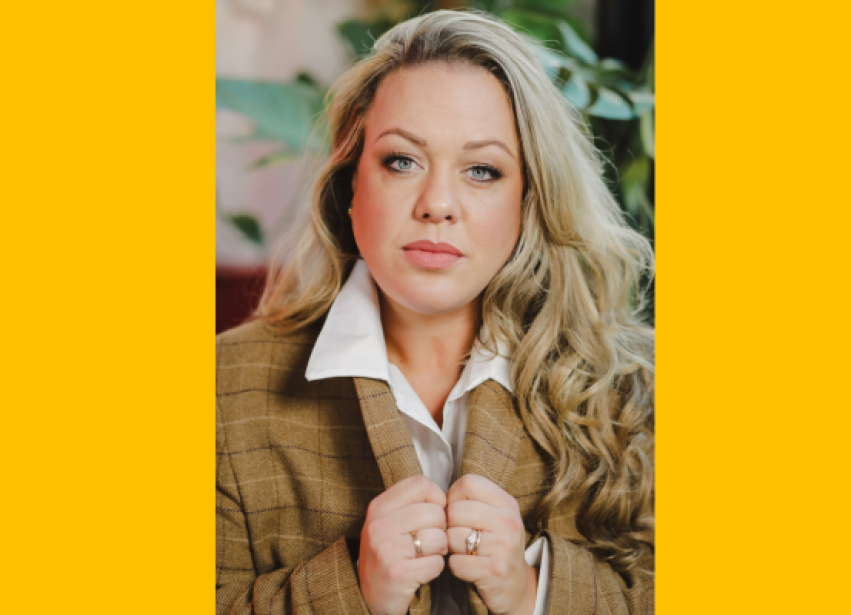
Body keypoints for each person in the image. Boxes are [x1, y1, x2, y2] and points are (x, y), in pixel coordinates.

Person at [216, 9, 654, 615]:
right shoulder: (220, 390)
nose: (438, 204)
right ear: (350, 186)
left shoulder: (632, 389)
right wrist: (349, 591)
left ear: (529, 201)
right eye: (402, 161)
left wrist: (536, 593)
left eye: (482, 170)